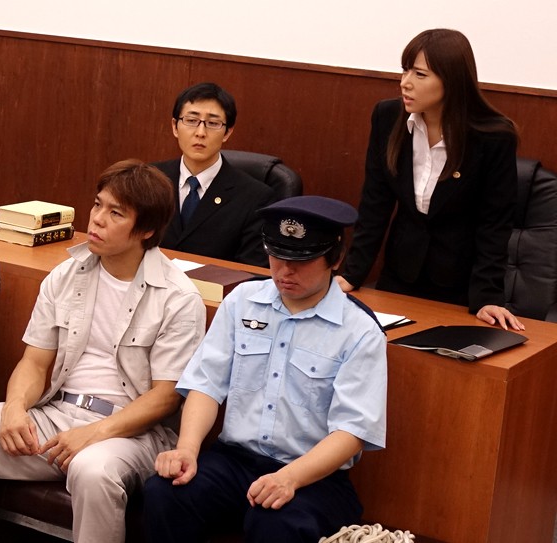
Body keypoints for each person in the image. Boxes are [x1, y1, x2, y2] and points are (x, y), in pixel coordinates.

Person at [0, 159, 207, 543]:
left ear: (146, 230)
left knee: (92, 469)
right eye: (98, 204)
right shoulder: (67, 274)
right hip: (58, 414)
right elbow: (34, 362)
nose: (98, 219)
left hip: (130, 433)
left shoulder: (178, 297)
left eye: (116, 213)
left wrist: (93, 433)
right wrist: (14, 409)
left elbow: (166, 397)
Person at [144, 195, 387, 543]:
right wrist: (187, 449)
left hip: (314, 477)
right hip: (235, 461)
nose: (285, 271)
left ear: (335, 259)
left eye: (301, 261)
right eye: (277, 256)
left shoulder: (359, 330)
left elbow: (353, 431)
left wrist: (290, 478)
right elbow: (206, 384)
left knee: (276, 522)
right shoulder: (242, 301)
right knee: (165, 493)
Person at [336, 28, 524, 331]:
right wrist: (352, 274)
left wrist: (487, 297)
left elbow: (495, 224)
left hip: (460, 286)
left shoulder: (494, 137)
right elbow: (375, 203)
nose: (405, 82)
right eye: (405, 70)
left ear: (451, 81)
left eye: (420, 74)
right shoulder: (387, 117)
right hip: (399, 277)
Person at [154, 82, 276, 267]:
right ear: (175, 127)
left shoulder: (256, 198)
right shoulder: (150, 179)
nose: (200, 132)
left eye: (213, 123)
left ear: (227, 132)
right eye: (191, 120)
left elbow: (251, 270)